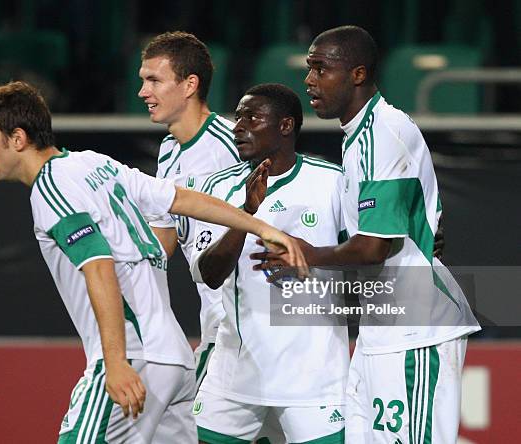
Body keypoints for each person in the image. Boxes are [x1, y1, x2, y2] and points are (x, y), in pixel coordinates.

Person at [0, 81, 306, 443]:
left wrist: (115, 363)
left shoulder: (50, 189)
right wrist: (259, 226)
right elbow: (180, 199)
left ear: (18, 138)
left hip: (133, 357)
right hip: (174, 361)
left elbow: (99, 265)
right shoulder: (93, 163)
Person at [253, 26, 480, 443]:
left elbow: (374, 247)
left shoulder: (381, 133)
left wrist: (305, 255)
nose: (309, 81)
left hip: (416, 331)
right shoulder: (360, 136)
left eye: (321, 69)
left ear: (358, 74)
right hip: (383, 327)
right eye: (308, 69)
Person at [189, 83, 349, 444]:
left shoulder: (332, 183)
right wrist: (246, 215)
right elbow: (210, 276)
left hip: (314, 377)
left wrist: (312, 259)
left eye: (253, 117)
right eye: (238, 116)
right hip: (237, 372)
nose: (238, 126)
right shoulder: (218, 189)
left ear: (286, 125)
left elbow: (366, 261)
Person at [138, 31, 241, 391]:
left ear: (189, 85)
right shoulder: (167, 151)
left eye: (154, 80)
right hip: (214, 323)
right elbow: (162, 240)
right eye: (142, 81)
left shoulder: (236, 143)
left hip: (247, 324)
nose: (143, 92)